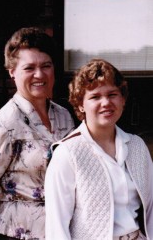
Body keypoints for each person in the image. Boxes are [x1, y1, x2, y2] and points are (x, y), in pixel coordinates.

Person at [0, 27, 74, 240]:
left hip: (62, 230)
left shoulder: (64, 116)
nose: (39, 75)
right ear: (12, 71)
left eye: (46, 66)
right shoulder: (5, 124)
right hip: (18, 234)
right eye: (29, 68)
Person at [45, 59, 153, 239]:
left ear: (122, 99)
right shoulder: (67, 153)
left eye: (112, 94)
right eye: (95, 97)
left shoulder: (137, 146)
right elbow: (57, 227)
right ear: (80, 104)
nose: (106, 103)